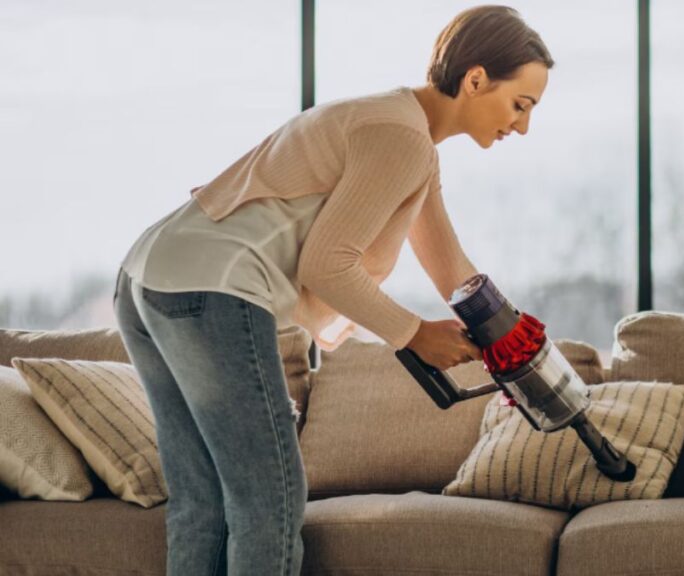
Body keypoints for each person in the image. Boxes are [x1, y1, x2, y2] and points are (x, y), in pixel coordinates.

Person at [111, 5, 552, 575]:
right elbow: (326, 264)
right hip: (213, 288)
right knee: (270, 497)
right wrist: (414, 335)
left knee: (204, 501)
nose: (523, 126)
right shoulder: (400, 138)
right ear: (474, 79)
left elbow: (447, 262)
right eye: (521, 104)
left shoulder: (399, 129)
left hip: (150, 278)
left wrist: (511, 337)